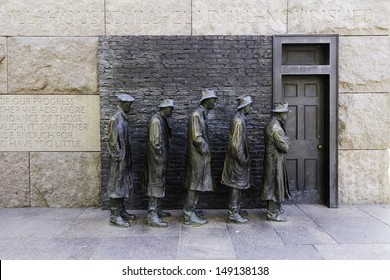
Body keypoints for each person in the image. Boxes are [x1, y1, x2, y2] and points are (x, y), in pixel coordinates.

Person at [183, 89, 218, 226]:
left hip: (200, 157)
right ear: (206, 101)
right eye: (213, 100)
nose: (214, 103)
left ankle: (192, 210)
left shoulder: (201, 115)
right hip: (197, 157)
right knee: (194, 184)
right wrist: (206, 150)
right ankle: (188, 213)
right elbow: (197, 138)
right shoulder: (196, 115)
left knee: (197, 184)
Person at [142, 99, 175, 228]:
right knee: (154, 185)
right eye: (170, 109)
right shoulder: (156, 121)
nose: (172, 111)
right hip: (156, 161)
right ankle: (152, 214)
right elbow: (156, 144)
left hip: (159, 159)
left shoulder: (161, 119)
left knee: (159, 184)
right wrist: (161, 159)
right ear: (164, 108)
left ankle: (157, 209)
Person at [221, 95, 253, 224]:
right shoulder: (239, 121)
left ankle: (236, 209)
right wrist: (243, 159)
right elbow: (236, 144)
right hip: (237, 161)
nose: (251, 109)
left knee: (238, 186)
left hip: (237, 160)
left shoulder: (240, 119)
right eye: (250, 106)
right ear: (244, 107)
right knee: (236, 186)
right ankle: (233, 213)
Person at [107, 94, 137, 227]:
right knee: (116, 185)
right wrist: (119, 156)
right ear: (123, 104)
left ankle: (121, 210)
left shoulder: (123, 118)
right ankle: (114, 215)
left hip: (125, 158)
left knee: (123, 184)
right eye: (129, 104)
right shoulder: (115, 119)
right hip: (118, 160)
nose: (130, 107)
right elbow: (112, 141)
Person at [260, 101, 291, 222]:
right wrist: (287, 140)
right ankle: (273, 213)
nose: (287, 115)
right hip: (275, 161)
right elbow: (285, 147)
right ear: (280, 114)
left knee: (272, 184)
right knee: (275, 185)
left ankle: (274, 209)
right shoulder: (276, 128)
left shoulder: (272, 124)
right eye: (285, 113)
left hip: (273, 160)